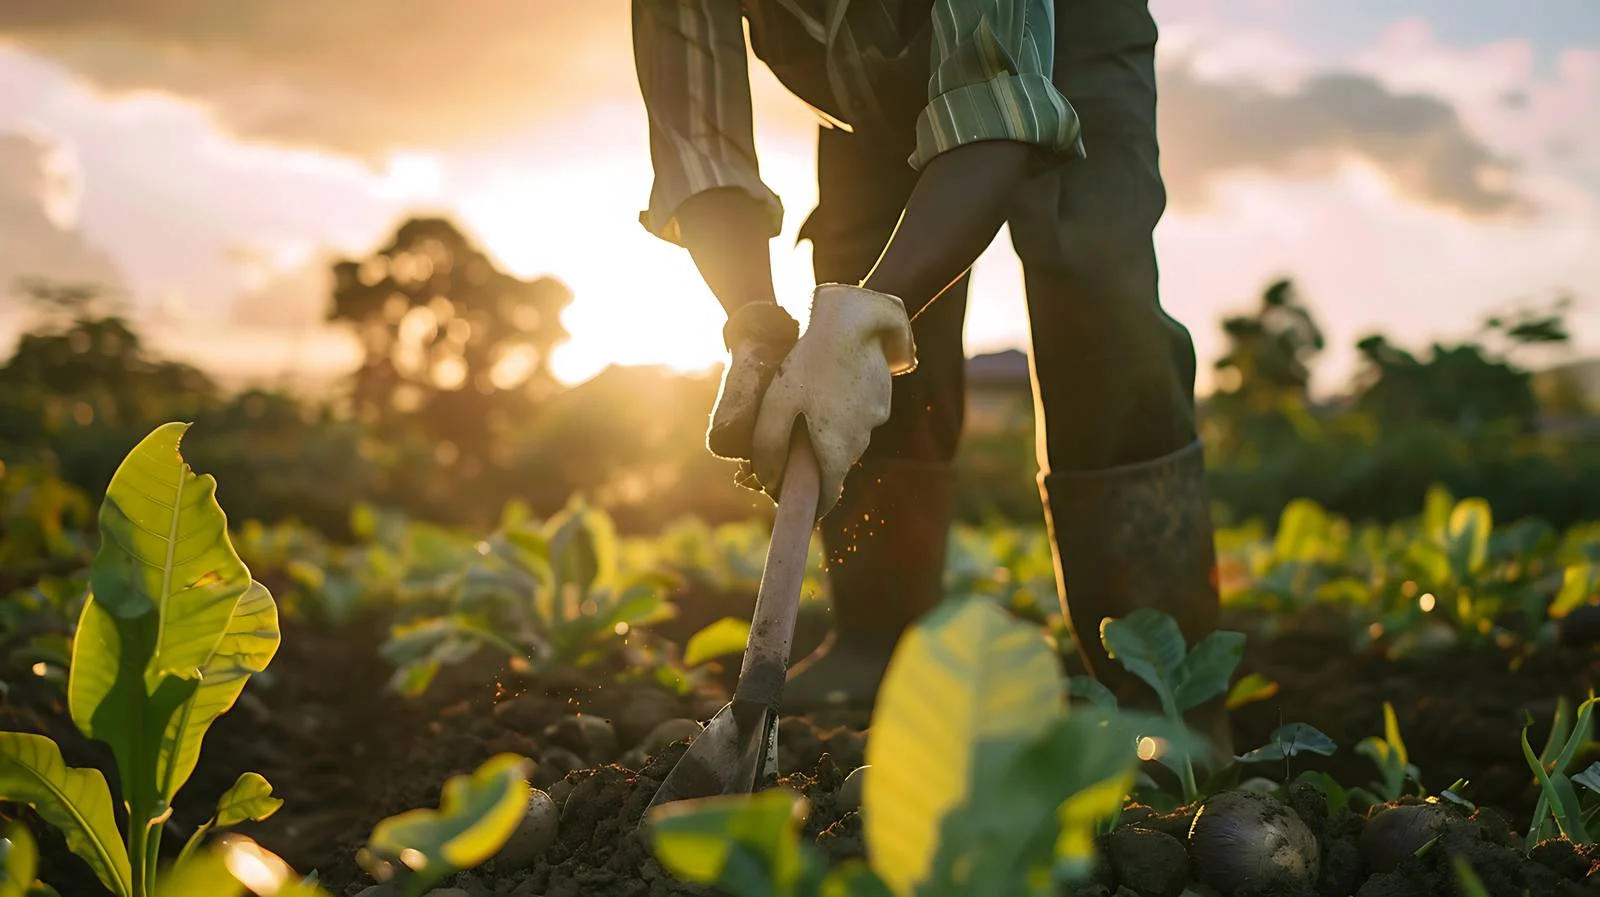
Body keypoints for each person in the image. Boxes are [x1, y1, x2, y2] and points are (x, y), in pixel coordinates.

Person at [631, 0, 1230, 755]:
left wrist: (874, 315)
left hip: (1062, 32)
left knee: (1092, 280)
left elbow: (997, 104)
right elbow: (699, 146)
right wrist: (755, 319)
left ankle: (1166, 697)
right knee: (848, 279)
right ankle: (878, 637)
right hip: (867, 93)